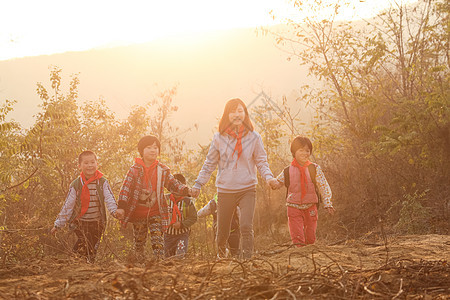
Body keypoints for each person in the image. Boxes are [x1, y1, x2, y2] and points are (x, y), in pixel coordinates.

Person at [191, 98, 278, 259]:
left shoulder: (254, 137)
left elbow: (261, 161)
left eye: (240, 111)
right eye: (233, 111)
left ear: (245, 114)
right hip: (225, 190)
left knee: (246, 226)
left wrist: (269, 178)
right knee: (223, 231)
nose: (237, 114)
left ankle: (246, 260)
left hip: (247, 189)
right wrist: (198, 184)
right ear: (227, 114)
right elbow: (209, 163)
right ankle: (221, 258)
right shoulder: (219, 138)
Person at [117, 135, 191, 261]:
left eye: (155, 147)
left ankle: (159, 264)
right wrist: (121, 207)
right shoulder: (134, 170)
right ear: (141, 151)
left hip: (156, 212)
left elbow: (173, 184)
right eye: (149, 147)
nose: (153, 150)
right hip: (138, 213)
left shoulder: (162, 170)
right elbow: (126, 189)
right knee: (139, 242)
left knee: (158, 241)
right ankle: (138, 266)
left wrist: (186, 190)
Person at [51, 150, 124, 263]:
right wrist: (58, 224)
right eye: (86, 163)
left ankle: (87, 268)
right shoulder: (76, 184)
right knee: (83, 243)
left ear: (97, 164)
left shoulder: (102, 182)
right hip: (81, 223)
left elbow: (109, 198)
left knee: (92, 248)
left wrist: (115, 212)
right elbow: (68, 205)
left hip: (97, 223)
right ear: (80, 166)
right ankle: (74, 263)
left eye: (92, 162)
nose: (90, 165)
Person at [272, 136, 335, 247]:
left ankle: (310, 254)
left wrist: (328, 203)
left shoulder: (314, 168)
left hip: (310, 206)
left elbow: (323, 186)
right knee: (297, 237)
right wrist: (271, 182)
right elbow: (277, 183)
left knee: (310, 237)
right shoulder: (287, 170)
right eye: (301, 150)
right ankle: (299, 252)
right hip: (293, 206)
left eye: (307, 151)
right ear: (294, 152)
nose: (304, 153)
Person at [164, 173, 197, 258]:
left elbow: (193, 217)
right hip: (168, 234)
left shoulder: (187, 201)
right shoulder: (165, 199)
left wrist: (182, 224)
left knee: (180, 255)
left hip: (182, 234)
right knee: (168, 257)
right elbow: (159, 214)